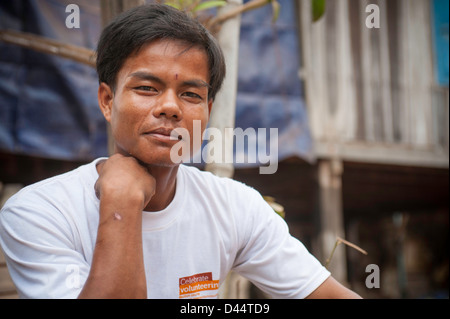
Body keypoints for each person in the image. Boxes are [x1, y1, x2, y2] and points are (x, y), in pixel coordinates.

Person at [0, 3, 361, 299]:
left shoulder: (234, 207)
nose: (170, 107)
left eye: (191, 94)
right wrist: (122, 202)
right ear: (108, 101)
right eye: (146, 88)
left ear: (207, 110)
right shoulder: (38, 212)